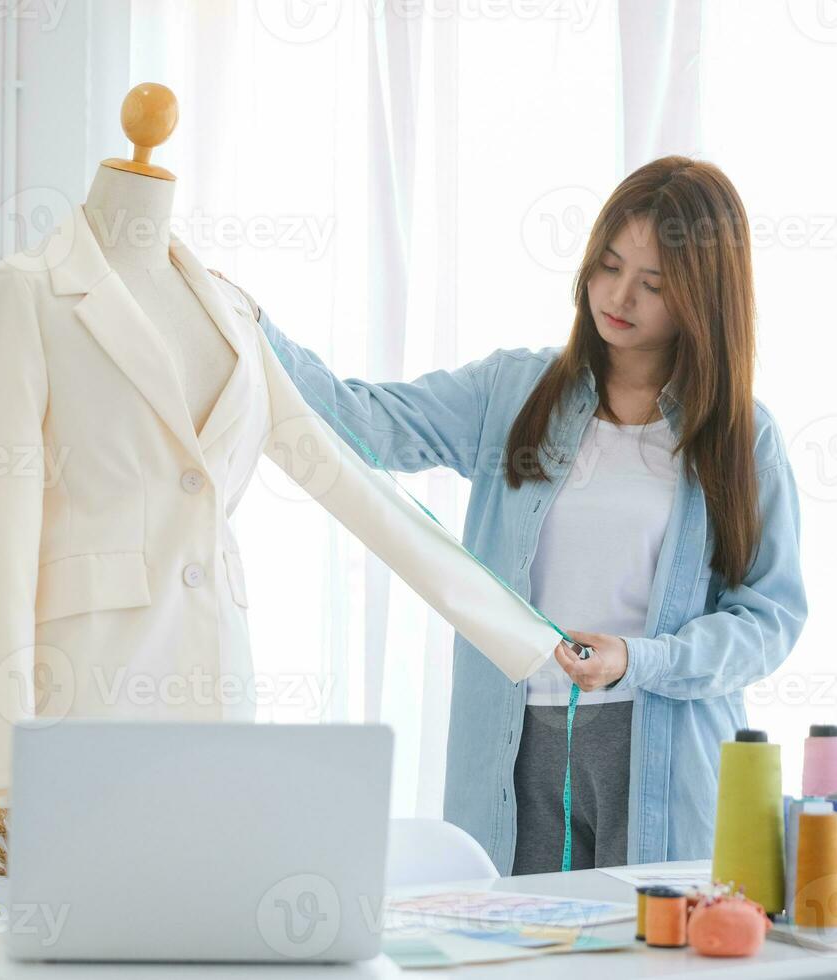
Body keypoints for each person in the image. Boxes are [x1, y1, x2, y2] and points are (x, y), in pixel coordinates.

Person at [243, 156, 807, 872]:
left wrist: (639, 660)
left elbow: (769, 620)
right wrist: (251, 326)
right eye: (607, 264)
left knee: (655, 963)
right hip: (513, 748)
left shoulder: (741, 436)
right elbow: (363, 422)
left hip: (664, 753)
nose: (619, 295)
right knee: (509, 950)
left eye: (654, 283)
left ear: (703, 296)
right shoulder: (513, 391)